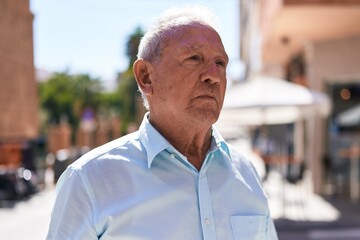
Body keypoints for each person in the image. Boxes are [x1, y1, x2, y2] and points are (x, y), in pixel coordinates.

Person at [46, 6, 278, 240]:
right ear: (146, 76)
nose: (213, 75)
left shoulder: (246, 173)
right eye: (194, 58)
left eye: (220, 63)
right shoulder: (89, 181)